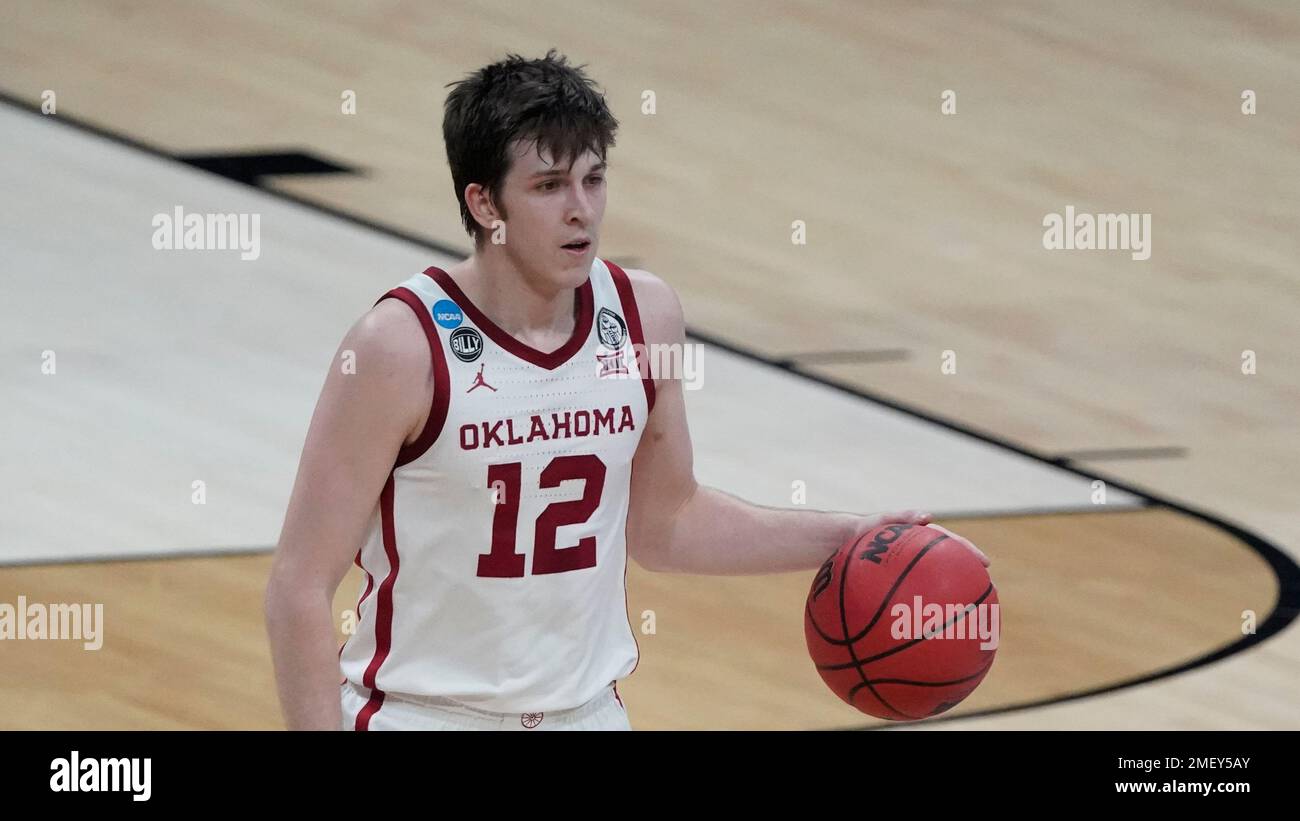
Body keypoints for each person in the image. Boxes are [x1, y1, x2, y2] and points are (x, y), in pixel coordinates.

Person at [264, 49, 989, 731]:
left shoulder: (645, 314)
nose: (582, 208)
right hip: (425, 714)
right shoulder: (398, 346)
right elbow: (299, 584)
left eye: (594, 178)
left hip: (590, 713)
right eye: (549, 187)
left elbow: (667, 521)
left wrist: (849, 535)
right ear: (485, 205)